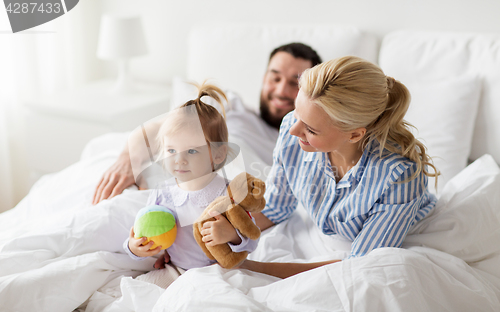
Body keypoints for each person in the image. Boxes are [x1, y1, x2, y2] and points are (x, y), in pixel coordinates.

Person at [230, 56, 439, 279]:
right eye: (297, 113)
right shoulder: (293, 128)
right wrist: (230, 233)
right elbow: (277, 207)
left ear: (355, 134)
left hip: (399, 242)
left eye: (310, 129)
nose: (293, 130)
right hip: (331, 242)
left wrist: (253, 268)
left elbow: (361, 265)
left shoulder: (398, 176)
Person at [92, 43, 322, 204]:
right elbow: (158, 128)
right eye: (275, 78)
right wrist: (127, 162)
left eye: (295, 83)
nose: (281, 90)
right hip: (156, 186)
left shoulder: (304, 144)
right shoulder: (229, 103)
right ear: (264, 79)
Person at [125, 82, 258, 272]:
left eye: (192, 151)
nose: (179, 160)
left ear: (218, 154)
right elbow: (145, 232)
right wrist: (134, 248)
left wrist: (232, 236)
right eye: (171, 150)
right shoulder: (163, 194)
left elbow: (252, 241)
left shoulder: (227, 195)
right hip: (175, 268)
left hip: (219, 271)